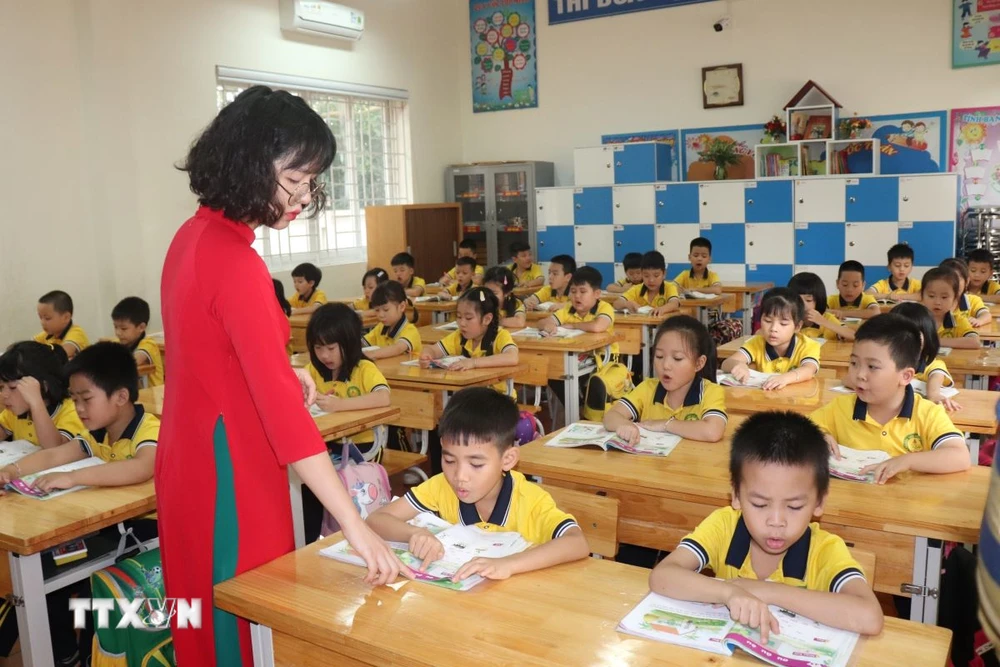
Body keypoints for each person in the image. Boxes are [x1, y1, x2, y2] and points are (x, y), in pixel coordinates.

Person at [161, 85, 407, 665]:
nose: (301, 199)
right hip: (233, 473)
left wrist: (278, 369)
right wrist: (356, 525)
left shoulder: (191, 239)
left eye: (309, 184)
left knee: (197, 612)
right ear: (247, 163)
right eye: (294, 181)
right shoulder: (237, 263)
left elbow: (208, 358)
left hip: (191, 460)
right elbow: (289, 424)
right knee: (244, 626)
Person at [649, 411, 884, 638]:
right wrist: (729, 592)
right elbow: (663, 576)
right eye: (760, 504)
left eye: (793, 507)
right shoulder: (724, 525)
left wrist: (765, 591)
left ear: (819, 503)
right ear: (737, 497)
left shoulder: (824, 550)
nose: (776, 521)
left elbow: (870, 616)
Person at [366, 388, 589, 579]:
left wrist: (508, 564)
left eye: (476, 464)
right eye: (449, 460)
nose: (460, 476)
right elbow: (376, 519)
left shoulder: (529, 500)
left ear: (508, 459)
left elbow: (577, 543)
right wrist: (413, 533)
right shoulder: (442, 486)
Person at [809, 315, 969, 484]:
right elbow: (800, 431)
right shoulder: (840, 407)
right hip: (854, 504)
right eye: (854, 363)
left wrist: (907, 461)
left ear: (906, 376)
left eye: (872, 367)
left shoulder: (927, 413)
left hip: (905, 504)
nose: (860, 375)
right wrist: (818, 436)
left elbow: (960, 457)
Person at [603, 316, 726, 443]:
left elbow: (713, 431)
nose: (665, 365)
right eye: (659, 356)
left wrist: (666, 425)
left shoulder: (710, 392)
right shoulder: (647, 388)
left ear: (699, 363)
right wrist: (625, 425)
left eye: (677, 358)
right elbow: (611, 416)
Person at [842, 302, 959, 412]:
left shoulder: (933, 364)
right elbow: (847, 380)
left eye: (913, 333)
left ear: (928, 336)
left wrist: (934, 396)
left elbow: (934, 384)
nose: (904, 339)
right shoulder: (881, 362)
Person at [421, 287, 519, 395]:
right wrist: (427, 355)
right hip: (470, 398)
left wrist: (473, 362)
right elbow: (433, 349)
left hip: (499, 400)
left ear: (487, 319)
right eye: (458, 317)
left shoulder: (499, 336)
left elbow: (512, 357)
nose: (462, 323)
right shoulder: (459, 336)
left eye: (468, 318)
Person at [720, 287, 820, 390]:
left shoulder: (808, 345)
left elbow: (809, 369)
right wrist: (739, 365)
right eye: (767, 321)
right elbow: (726, 363)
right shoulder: (756, 343)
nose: (773, 329)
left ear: (797, 326)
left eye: (783, 323)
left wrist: (785, 378)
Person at [0, 341, 87, 448]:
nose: (4, 394)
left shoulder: (71, 411)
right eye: (1, 388)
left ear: (43, 386)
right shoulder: (15, 411)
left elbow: (54, 448)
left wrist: (36, 403)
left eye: (12, 387)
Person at [921, 267, 981, 349]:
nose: (937, 302)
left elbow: (975, 342)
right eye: (931, 296)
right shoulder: (914, 319)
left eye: (944, 297)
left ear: (955, 298)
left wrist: (934, 341)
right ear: (922, 296)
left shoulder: (958, 321)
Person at [112, 296, 164, 387]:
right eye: (115, 327)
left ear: (141, 327)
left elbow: (132, 362)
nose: (118, 333)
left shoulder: (148, 344)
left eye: (123, 329)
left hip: (153, 398)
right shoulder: (121, 342)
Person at [362, 281, 421, 360]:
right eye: (377, 310)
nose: (381, 315)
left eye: (386, 310)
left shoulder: (410, 331)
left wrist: (371, 354)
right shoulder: (380, 328)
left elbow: (397, 348)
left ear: (402, 307)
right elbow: (362, 343)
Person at [787, 272, 855, 341]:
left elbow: (853, 336)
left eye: (808, 300)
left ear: (818, 300)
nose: (803, 305)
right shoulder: (788, 318)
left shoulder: (825, 318)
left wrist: (823, 321)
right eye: (798, 300)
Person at [614, 251, 680, 316]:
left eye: (656, 275)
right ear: (642, 274)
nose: (651, 280)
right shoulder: (636, 289)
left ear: (664, 274)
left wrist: (662, 309)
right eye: (646, 276)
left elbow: (674, 303)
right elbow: (616, 303)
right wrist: (627, 303)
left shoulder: (669, 287)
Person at [33, 290, 89, 360]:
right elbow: (28, 350)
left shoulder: (77, 333)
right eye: (40, 317)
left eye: (47, 318)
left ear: (66, 318)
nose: (42, 322)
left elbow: (63, 353)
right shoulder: (45, 335)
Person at [941, 257, 991, 327]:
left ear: (967, 281)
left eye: (958, 279)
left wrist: (979, 320)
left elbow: (986, 315)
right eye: (949, 279)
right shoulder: (935, 301)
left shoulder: (972, 301)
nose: (954, 284)